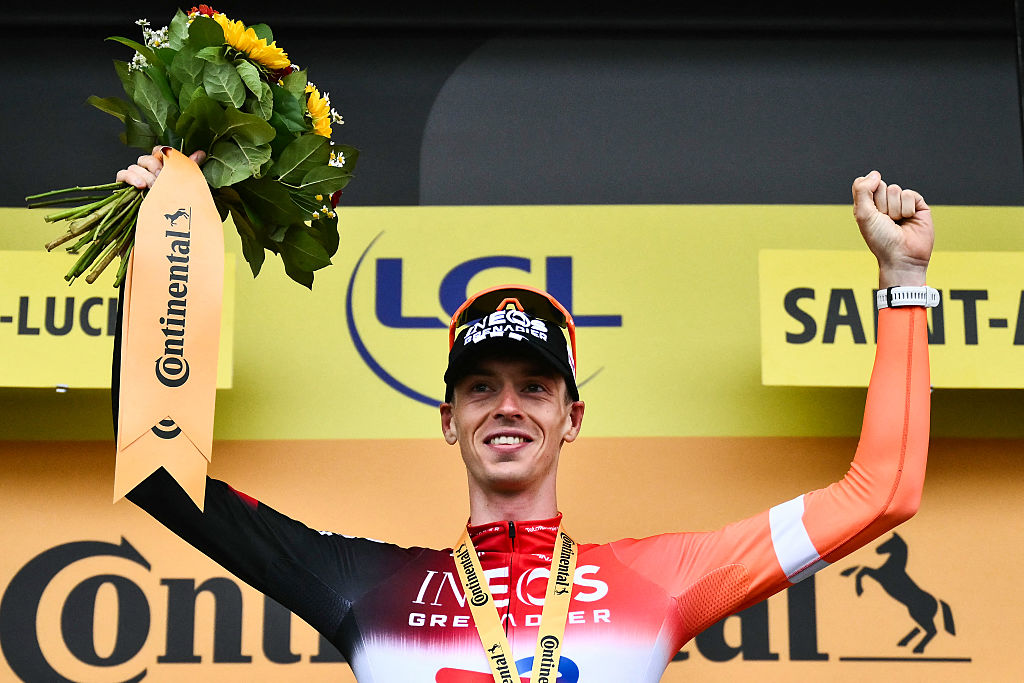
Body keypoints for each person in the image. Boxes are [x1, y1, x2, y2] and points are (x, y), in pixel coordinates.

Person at [117, 148, 935, 682]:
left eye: (534, 386)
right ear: (447, 417)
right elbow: (160, 475)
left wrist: (903, 281)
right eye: (480, 387)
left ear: (573, 416)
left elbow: (882, 491)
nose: (507, 406)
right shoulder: (366, 585)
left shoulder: (660, 579)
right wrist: (161, 249)